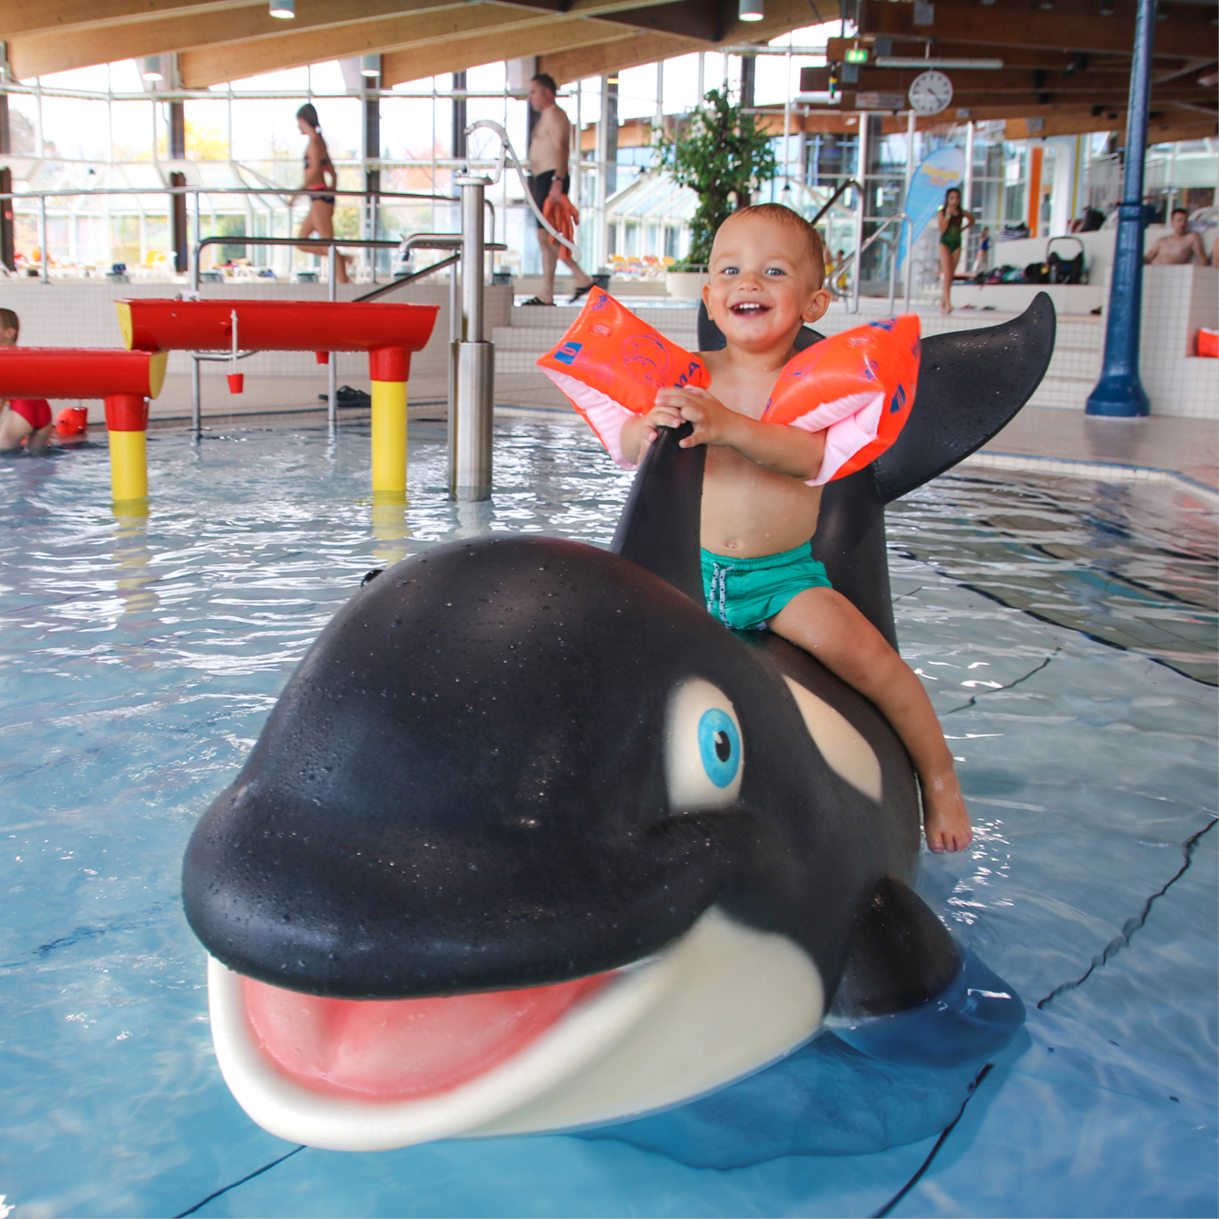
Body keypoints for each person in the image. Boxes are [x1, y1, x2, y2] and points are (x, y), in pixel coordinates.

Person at [619, 204, 972, 853]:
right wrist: (640, 430)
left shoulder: (811, 385)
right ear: (708, 295)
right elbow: (626, 447)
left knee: (870, 661)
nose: (747, 282)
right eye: (730, 269)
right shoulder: (686, 375)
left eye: (771, 271)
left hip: (780, 577)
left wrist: (729, 427)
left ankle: (940, 776)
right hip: (686, 573)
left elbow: (808, 459)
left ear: (813, 301)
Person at [523, 73, 593, 307]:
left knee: (550, 236)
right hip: (544, 179)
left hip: (551, 179)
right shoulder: (546, 117)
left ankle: (566, 284)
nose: (530, 97)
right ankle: (568, 283)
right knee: (546, 237)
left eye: (534, 92)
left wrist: (557, 180)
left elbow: (563, 148)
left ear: (547, 92)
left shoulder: (555, 115)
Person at [295, 104, 350, 285]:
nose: (297, 127)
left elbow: (316, 170)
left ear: (303, 121)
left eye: (298, 123)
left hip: (319, 197)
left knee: (328, 244)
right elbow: (332, 172)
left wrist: (298, 192)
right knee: (301, 241)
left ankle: (343, 281)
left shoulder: (314, 142)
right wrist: (332, 190)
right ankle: (342, 259)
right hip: (320, 197)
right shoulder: (319, 141)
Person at [0, 308, 52, 453]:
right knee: (37, 462)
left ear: (9, 333)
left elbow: (1, 394)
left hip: (22, 413)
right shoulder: (22, 355)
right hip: (44, 412)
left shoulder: (2, 358)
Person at [937, 187, 973, 314]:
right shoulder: (942, 212)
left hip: (957, 244)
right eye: (952, 198)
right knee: (947, 274)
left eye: (957, 198)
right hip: (945, 244)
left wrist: (963, 229)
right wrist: (948, 214)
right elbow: (942, 229)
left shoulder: (961, 212)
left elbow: (972, 220)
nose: (954, 201)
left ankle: (943, 304)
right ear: (947, 199)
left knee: (950, 276)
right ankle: (948, 304)